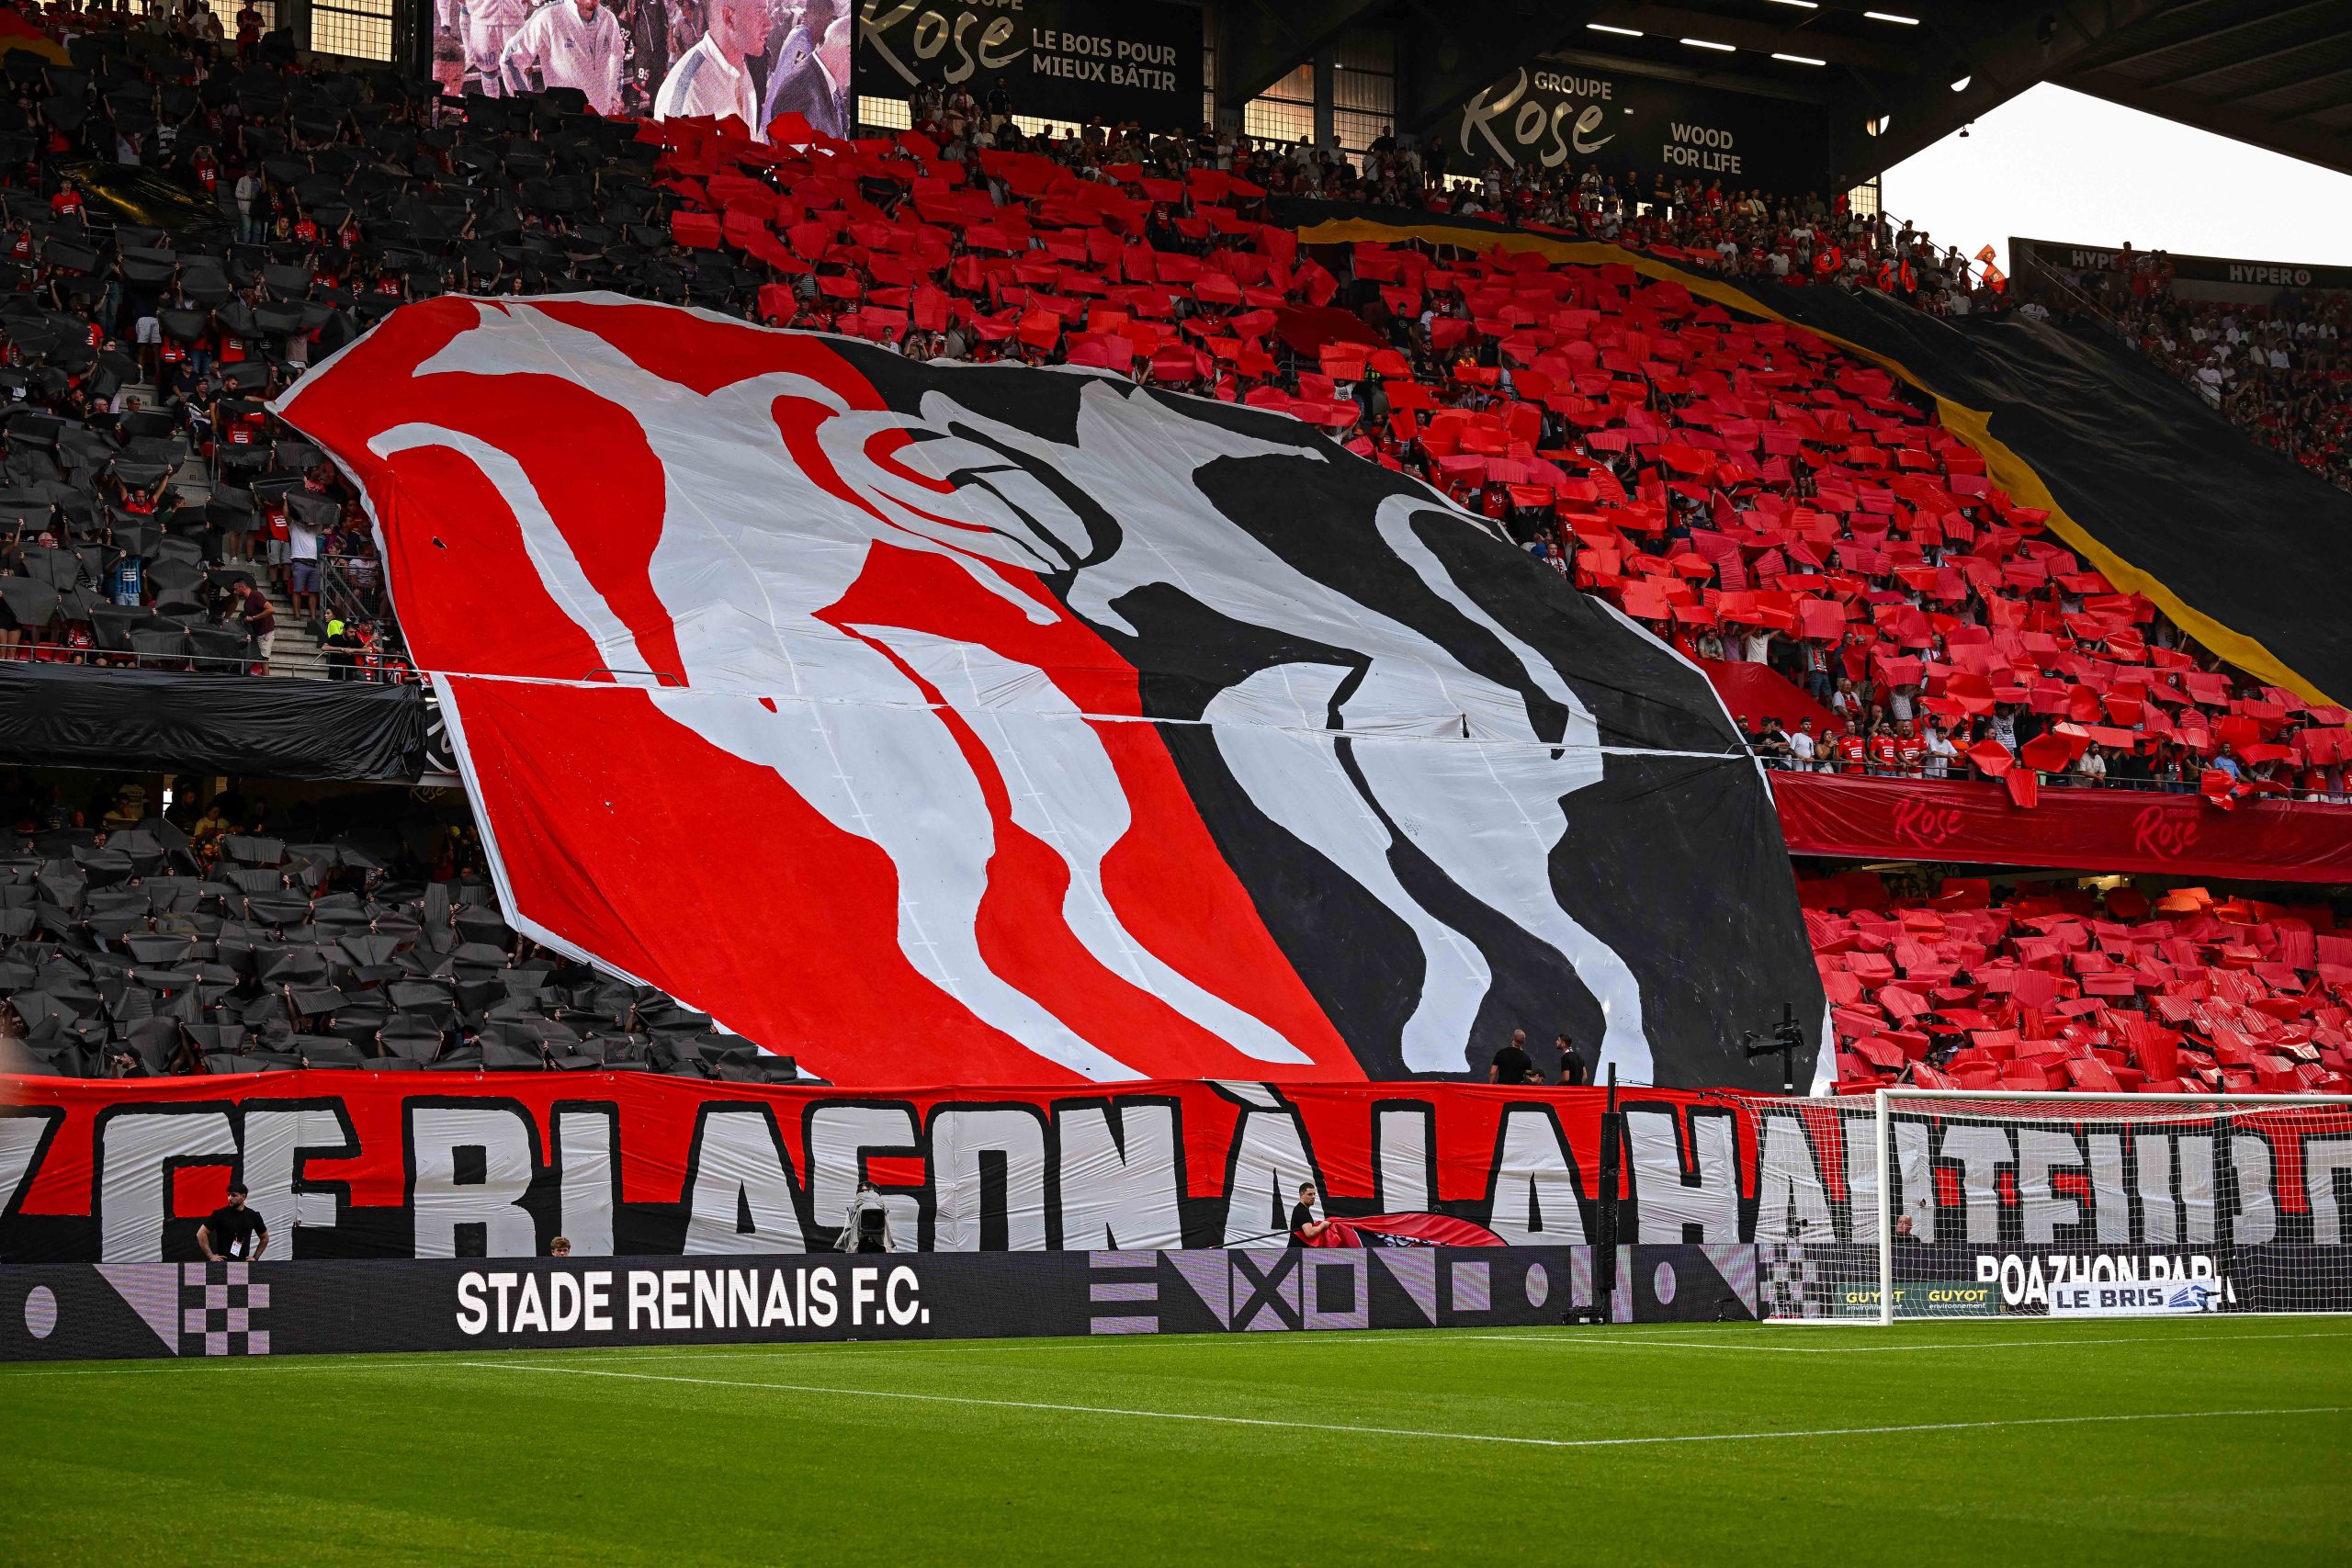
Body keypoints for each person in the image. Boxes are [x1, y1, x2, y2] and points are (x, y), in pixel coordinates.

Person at [653, 0, 766, 131]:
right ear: (729, 17)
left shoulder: (739, 68)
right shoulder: (689, 97)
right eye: (760, 12)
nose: (770, 24)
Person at [500, 0, 627, 116]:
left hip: (600, 118)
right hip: (564, 122)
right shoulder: (549, 16)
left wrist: (614, 95)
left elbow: (616, 54)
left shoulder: (609, 18)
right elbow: (510, 60)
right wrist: (529, 106)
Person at [198, 1182, 268, 1262]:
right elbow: (201, 1234)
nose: (229, 1198)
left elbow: (265, 1238)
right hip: (222, 1264)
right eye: (228, 1195)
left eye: (234, 1195)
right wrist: (211, 1256)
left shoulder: (253, 1216)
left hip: (243, 1265)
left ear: (243, 1196)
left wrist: (255, 1257)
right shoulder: (219, 1214)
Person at [836, 1179, 896, 1252]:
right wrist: (889, 1245)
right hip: (880, 1241)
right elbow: (888, 1230)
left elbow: (847, 1229)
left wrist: (843, 1244)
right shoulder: (883, 1209)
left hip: (858, 1242)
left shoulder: (851, 1210)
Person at [1289, 1181, 1331, 1246]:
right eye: (1310, 1194)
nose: (1313, 1197)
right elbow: (1310, 1233)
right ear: (1302, 1195)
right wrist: (1323, 1225)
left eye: (1314, 1194)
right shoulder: (1302, 1210)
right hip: (1296, 1252)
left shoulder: (1301, 1209)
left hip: (1298, 1251)